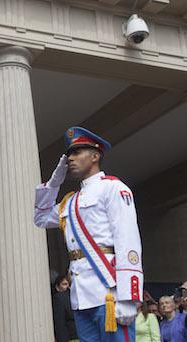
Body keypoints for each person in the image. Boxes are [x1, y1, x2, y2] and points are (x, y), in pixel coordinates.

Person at [34, 127, 143, 341]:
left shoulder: (113, 188)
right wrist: (54, 182)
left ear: (95, 156)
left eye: (77, 152)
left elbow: (127, 239)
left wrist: (129, 296)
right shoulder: (70, 201)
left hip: (110, 293)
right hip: (81, 295)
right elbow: (40, 218)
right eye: (69, 154)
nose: (70, 159)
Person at [51, 275, 78, 342]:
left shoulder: (75, 295)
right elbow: (60, 324)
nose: (66, 287)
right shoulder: (59, 298)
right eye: (64, 284)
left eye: (67, 284)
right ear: (57, 287)